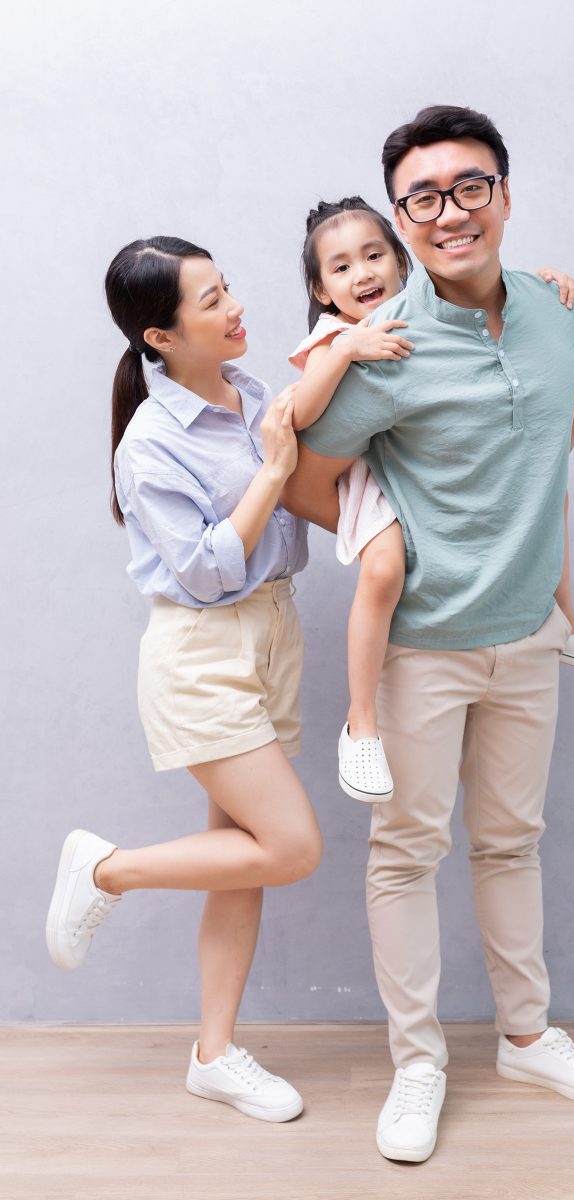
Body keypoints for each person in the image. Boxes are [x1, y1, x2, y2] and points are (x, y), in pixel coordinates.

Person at [282, 106, 574, 1163]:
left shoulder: (556, 311)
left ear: (503, 196)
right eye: (422, 198)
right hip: (420, 649)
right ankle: (418, 1063)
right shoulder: (381, 343)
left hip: (528, 636)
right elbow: (304, 471)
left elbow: (554, 442)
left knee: (511, 842)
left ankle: (526, 1036)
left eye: (467, 187)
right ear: (402, 217)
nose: (448, 212)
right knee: (406, 852)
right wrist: (392, 548)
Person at [45, 236, 322, 1124]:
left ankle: (214, 1055)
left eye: (227, 285)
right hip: (204, 655)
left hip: (273, 637)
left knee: (238, 864)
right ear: (161, 337)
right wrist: (276, 471)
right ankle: (108, 871)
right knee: (290, 847)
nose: (235, 305)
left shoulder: (248, 395)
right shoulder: (151, 442)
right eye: (210, 301)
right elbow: (204, 573)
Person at [288, 197, 574, 806]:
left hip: (407, 481)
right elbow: (303, 419)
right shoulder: (336, 340)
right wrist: (348, 350)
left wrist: (543, 281)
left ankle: (568, 623)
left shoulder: (415, 323)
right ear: (321, 289)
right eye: (343, 267)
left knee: (549, 494)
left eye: (375, 255)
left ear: (402, 260)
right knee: (383, 570)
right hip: (368, 482)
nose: (364, 274)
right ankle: (360, 723)